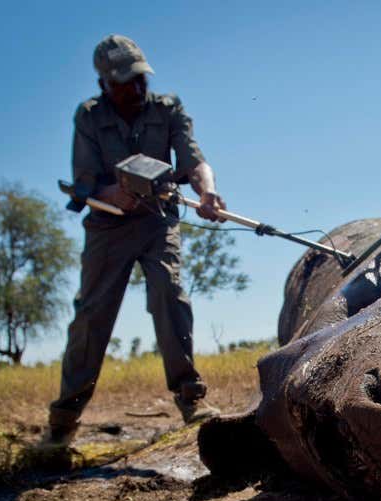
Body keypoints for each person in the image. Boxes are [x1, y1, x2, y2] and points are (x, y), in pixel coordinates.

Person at [45, 34, 226, 446]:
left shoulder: (168, 108)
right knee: (92, 315)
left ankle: (190, 396)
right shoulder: (88, 117)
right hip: (108, 228)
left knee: (169, 292)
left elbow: (194, 160)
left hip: (157, 221)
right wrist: (113, 193)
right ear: (105, 84)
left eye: (140, 78)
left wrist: (207, 192)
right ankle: (63, 420)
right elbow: (85, 183)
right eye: (126, 82)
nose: (137, 88)